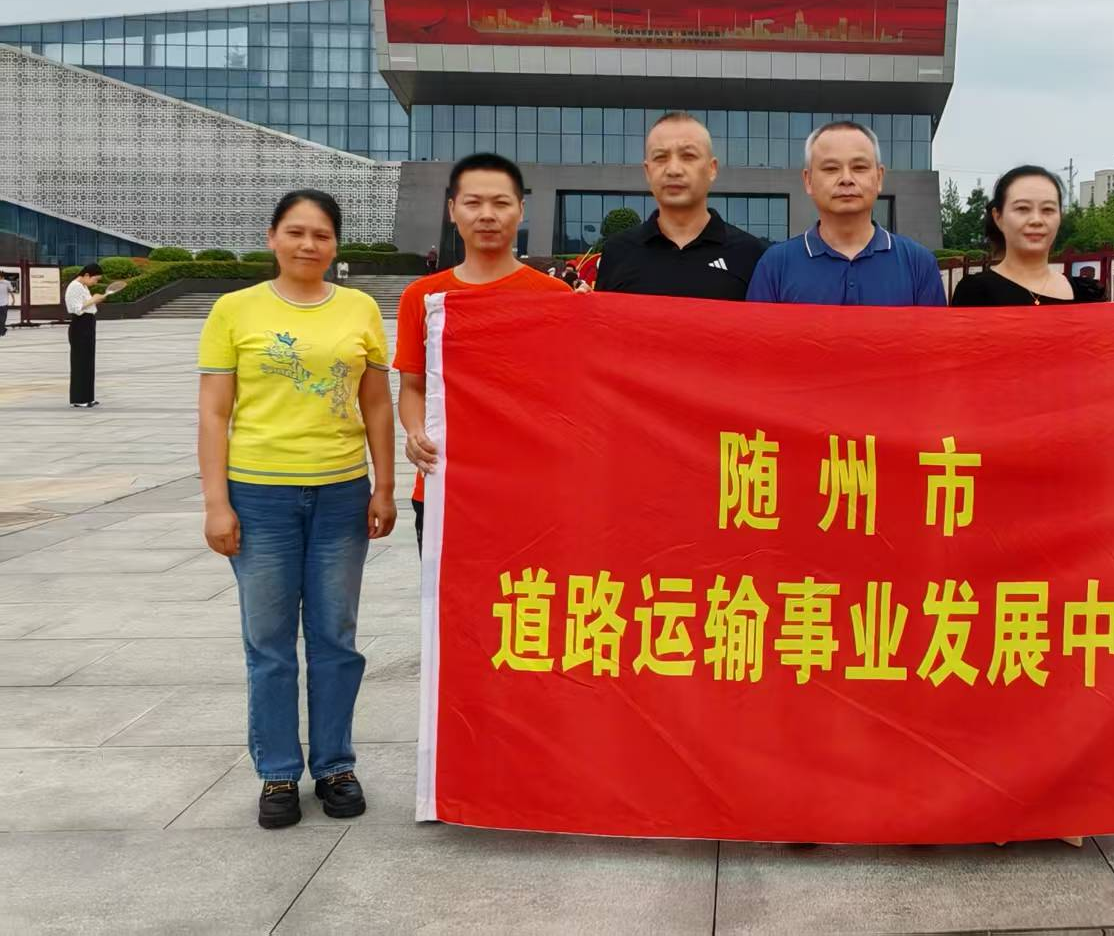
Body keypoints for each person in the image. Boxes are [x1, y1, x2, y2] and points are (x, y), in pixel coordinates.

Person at [196, 189, 396, 830]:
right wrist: (216, 503)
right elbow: (214, 412)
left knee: (336, 638)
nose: (309, 245)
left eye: (321, 235)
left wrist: (384, 486)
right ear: (273, 237)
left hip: (340, 495)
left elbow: (376, 404)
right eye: (296, 232)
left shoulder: (361, 308)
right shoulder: (234, 310)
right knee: (270, 643)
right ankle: (278, 772)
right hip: (259, 497)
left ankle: (335, 764)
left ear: (335, 244)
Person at [396, 153, 564, 553]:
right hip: (445, 485)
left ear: (521, 210)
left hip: (531, 488)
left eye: (501, 203)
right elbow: (412, 387)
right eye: (473, 203)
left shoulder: (556, 298)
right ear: (452, 209)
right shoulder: (423, 297)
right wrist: (416, 432)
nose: (487, 215)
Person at [746, 121, 944, 306]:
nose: (846, 179)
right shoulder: (775, 265)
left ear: (879, 177)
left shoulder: (919, 264)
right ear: (808, 180)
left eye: (859, 167)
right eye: (831, 168)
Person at [596, 112, 768, 298]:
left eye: (688, 156)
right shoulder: (617, 252)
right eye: (661, 157)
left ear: (712, 169)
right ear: (647, 171)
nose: (674, 170)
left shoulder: (751, 255)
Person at [951, 165, 1102, 305]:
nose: (1036, 220)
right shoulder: (974, 293)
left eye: (1048, 209)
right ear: (998, 217)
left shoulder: (1087, 293)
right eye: (1023, 208)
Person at [65, 263, 109, 406]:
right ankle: (79, 399)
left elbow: (88, 305)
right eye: (95, 279)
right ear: (86, 275)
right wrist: (94, 299)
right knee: (80, 362)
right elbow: (76, 308)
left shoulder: (83, 286)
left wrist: (95, 300)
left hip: (88, 323)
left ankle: (88, 397)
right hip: (80, 325)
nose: (95, 282)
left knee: (88, 361)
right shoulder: (75, 286)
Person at [0, 269, 14, 336]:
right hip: (4, 304)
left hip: (4, 303)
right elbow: (11, 291)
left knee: (2, 318)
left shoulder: (7, 282)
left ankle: (2, 330)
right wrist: (13, 300)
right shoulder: (7, 282)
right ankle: (2, 330)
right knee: (3, 318)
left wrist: (13, 300)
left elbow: (11, 291)